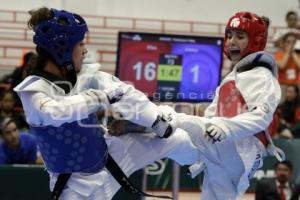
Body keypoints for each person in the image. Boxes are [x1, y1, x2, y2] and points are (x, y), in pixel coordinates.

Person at [14, 7, 199, 200]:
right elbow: (53, 113)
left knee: (177, 139)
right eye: (80, 44)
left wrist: (156, 122)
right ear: (63, 48)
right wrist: (100, 98)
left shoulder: (85, 76)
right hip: (74, 187)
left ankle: (202, 165)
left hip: (110, 159)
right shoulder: (32, 90)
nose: (85, 51)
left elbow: (124, 92)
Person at [171, 11, 285, 200]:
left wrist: (225, 126)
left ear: (255, 40)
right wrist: (212, 125)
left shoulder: (262, 75)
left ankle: (141, 116)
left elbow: (262, 116)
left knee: (170, 121)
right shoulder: (230, 78)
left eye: (240, 37)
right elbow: (210, 119)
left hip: (242, 149)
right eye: (229, 35)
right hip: (223, 149)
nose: (232, 41)